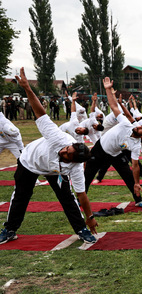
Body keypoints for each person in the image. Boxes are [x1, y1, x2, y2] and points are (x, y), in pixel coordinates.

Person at [0, 68, 98, 245]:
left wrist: (90, 217)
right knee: (21, 195)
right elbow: (40, 113)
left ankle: (81, 229)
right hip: (30, 161)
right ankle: (10, 229)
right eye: (66, 149)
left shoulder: (75, 168)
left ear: (74, 161)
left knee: (67, 198)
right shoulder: (58, 138)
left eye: (68, 155)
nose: (63, 152)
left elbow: (82, 194)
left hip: (54, 171)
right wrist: (27, 88)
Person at [84, 78, 142, 208]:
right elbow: (114, 106)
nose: (139, 127)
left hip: (115, 153)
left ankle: (138, 200)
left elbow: (136, 165)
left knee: (129, 176)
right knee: (88, 175)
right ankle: (80, 198)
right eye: (140, 126)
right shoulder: (126, 124)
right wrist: (108, 89)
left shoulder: (136, 145)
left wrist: (137, 182)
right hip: (100, 148)